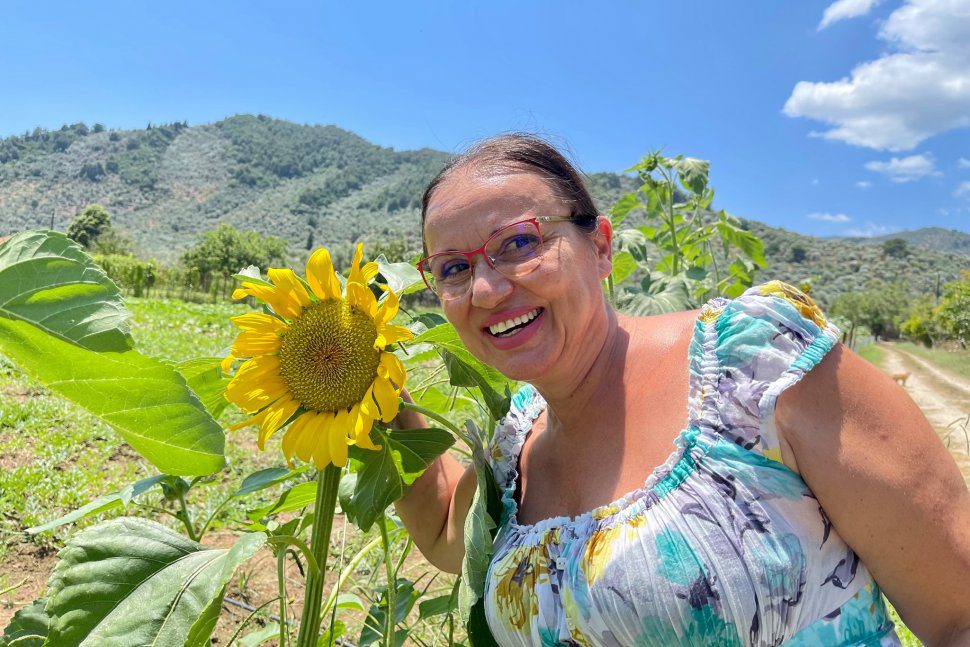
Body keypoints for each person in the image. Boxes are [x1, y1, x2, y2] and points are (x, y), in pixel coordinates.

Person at [394, 134, 970, 646]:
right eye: (453, 269)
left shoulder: (754, 366)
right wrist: (367, 379)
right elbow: (445, 531)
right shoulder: (513, 447)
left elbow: (958, 616)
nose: (486, 289)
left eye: (519, 243)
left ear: (600, 247)